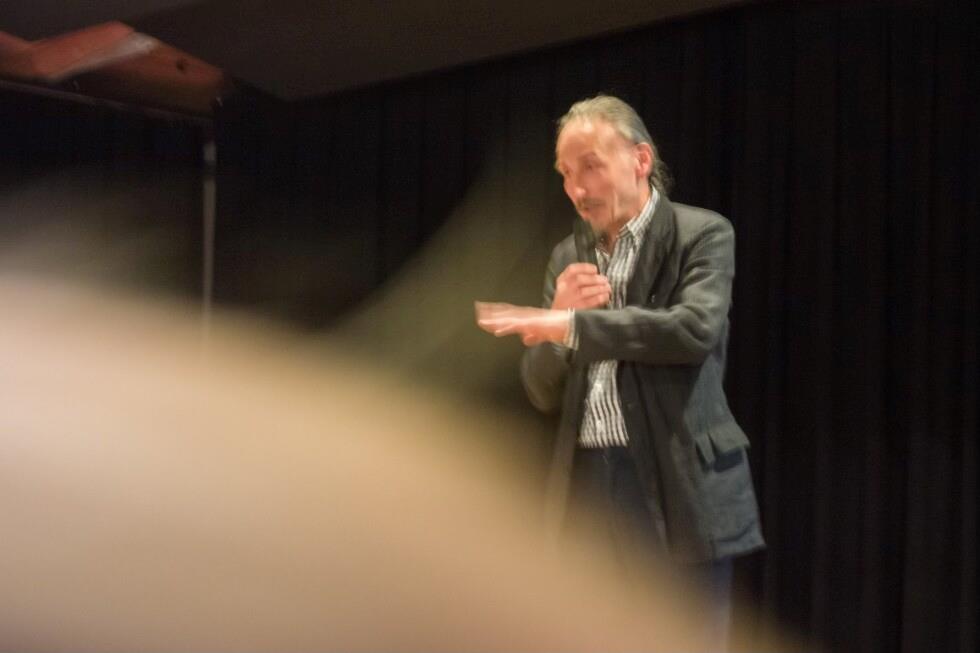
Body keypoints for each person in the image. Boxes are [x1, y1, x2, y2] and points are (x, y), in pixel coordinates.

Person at [476, 95, 764, 651]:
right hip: (590, 480)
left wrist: (571, 325)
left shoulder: (701, 234)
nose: (576, 188)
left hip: (676, 479)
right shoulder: (568, 256)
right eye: (565, 173)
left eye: (589, 166)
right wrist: (557, 324)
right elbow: (540, 389)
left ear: (640, 159)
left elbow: (691, 331)